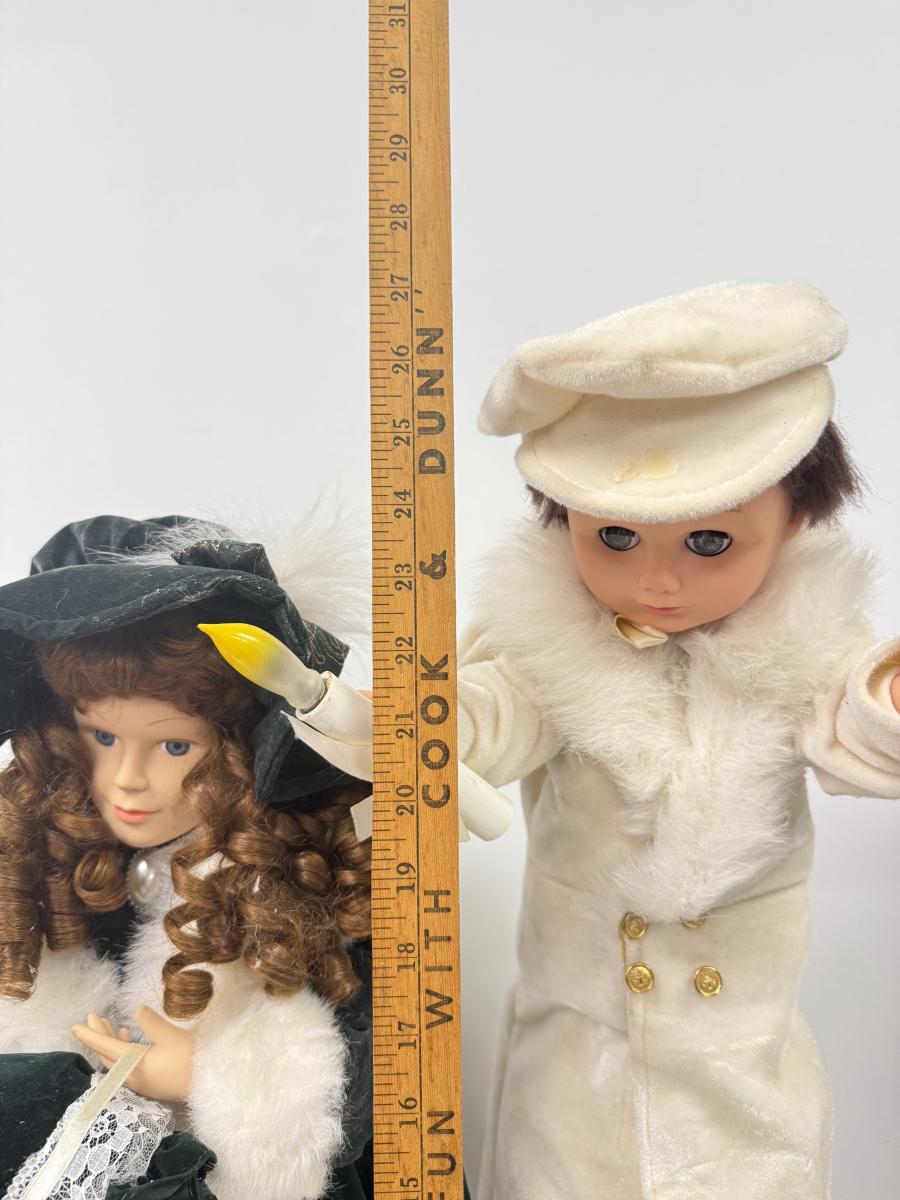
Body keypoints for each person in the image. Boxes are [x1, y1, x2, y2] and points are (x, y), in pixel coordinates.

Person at [458, 283, 900, 1199]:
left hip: (739, 1055)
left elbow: (856, 729)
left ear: (797, 518)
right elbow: (497, 715)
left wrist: (886, 702)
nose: (655, 582)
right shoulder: (547, 641)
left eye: (709, 543)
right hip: (575, 1046)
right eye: (615, 536)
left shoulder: (809, 639)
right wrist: (428, 722)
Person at [0, 514, 373, 1200]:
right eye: (101, 737)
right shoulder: (44, 863)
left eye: (174, 746)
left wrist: (206, 1081)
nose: (126, 780)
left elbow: (369, 1086)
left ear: (241, 751)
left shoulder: (299, 884)